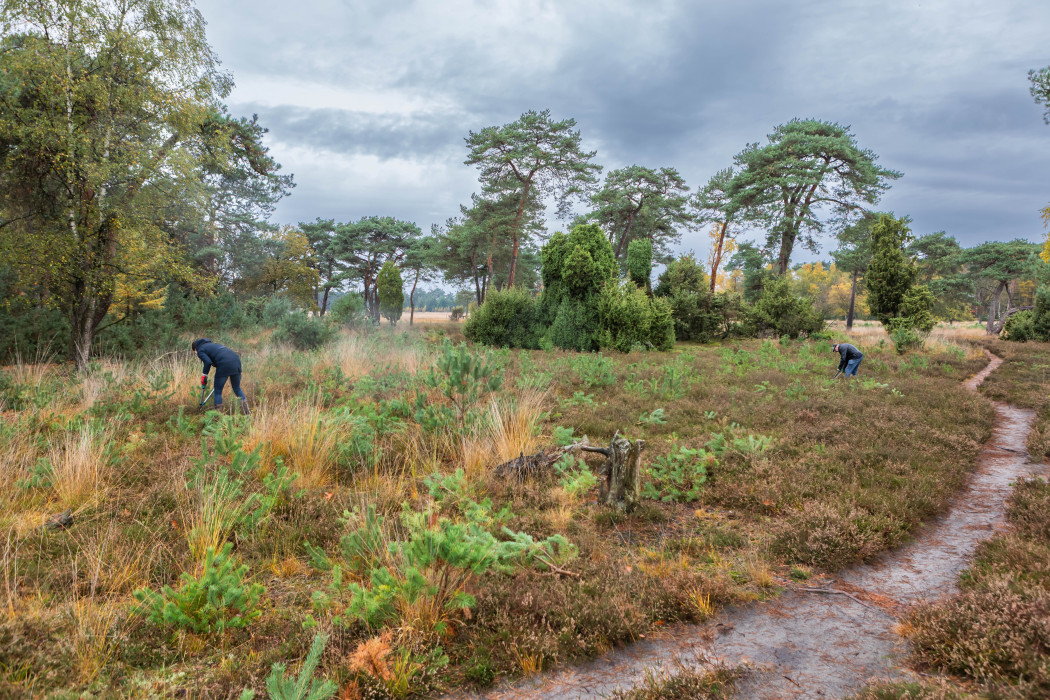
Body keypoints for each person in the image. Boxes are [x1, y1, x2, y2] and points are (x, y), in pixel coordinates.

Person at [192, 338, 249, 413]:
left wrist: (204, 375)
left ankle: (218, 417)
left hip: (224, 364)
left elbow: (208, 362)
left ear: (195, 349)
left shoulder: (200, 350)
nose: (196, 354)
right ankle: (247, 413)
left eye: (194, 352)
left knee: (218, 391)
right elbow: (217, 357)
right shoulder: (212, 345)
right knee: (237, 388)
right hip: (236, 361)